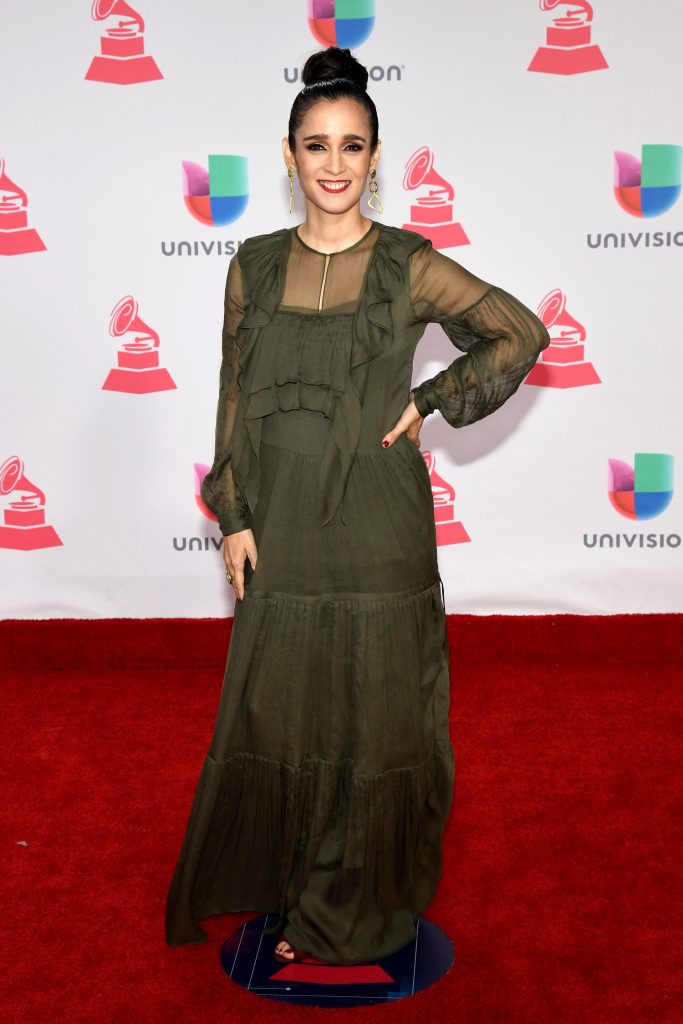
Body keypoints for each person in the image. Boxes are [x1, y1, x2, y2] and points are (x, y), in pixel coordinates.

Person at [165, 45, 550, 966]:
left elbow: (519, 332)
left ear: (376, 159)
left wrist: (431, 400)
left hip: (377, 523)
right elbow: (232, 397)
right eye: (315, 146)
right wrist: (236, 511)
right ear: (288, 156)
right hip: (282, 527)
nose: (333, 164)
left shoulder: (407, 264)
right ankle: (287, 879)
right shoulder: (251, 267)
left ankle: (347, 908)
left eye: (351, 146)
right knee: (284, 712)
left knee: (376, 718)